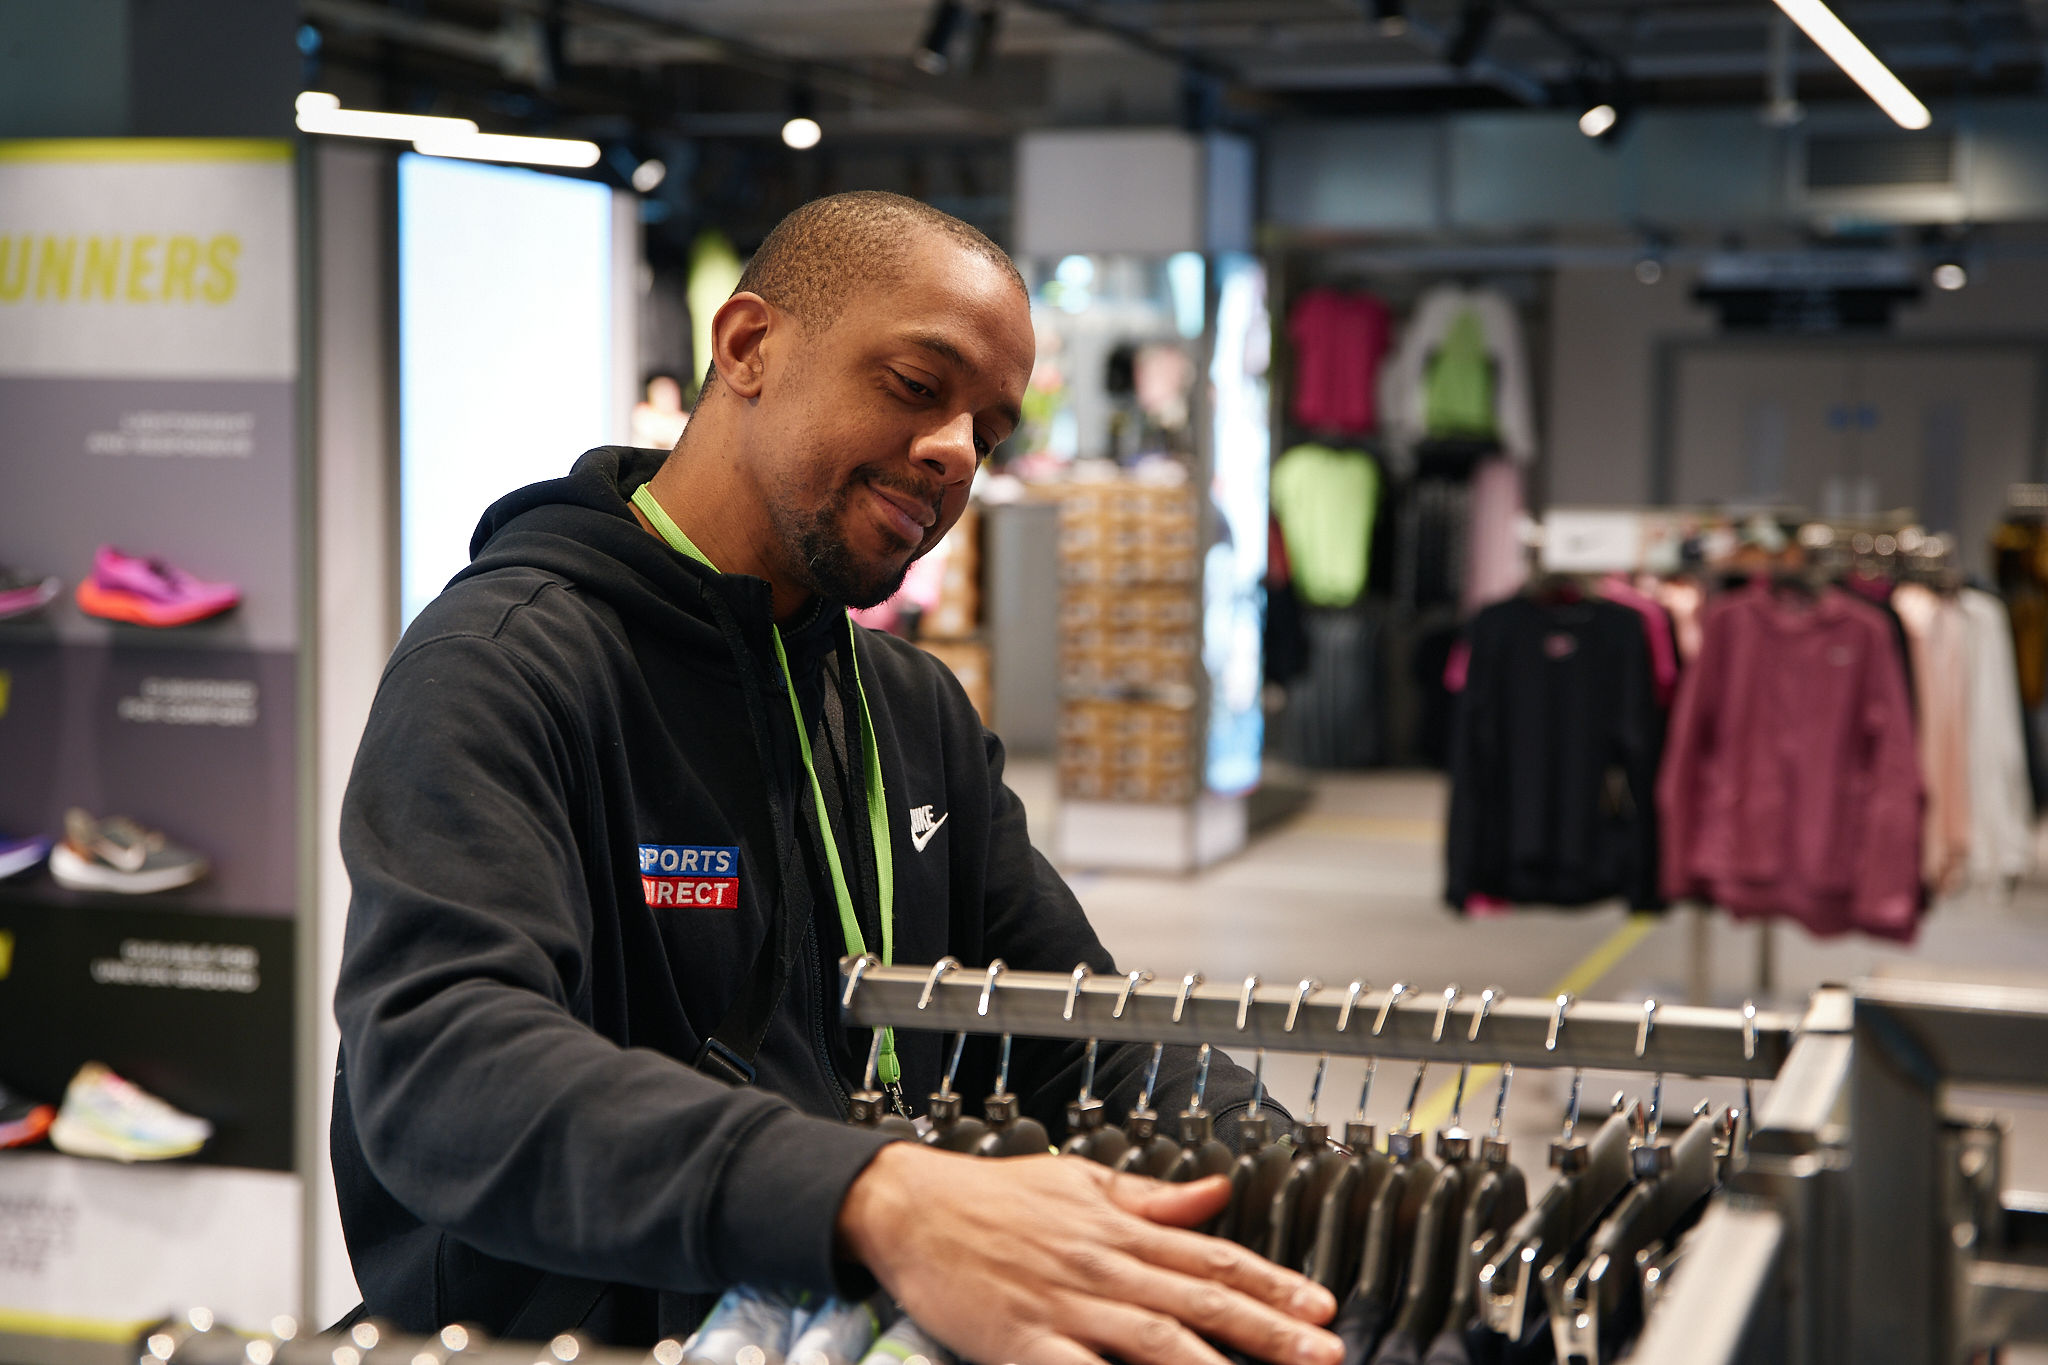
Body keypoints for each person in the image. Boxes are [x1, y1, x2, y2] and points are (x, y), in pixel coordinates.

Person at [332, 191, 1343, 1365]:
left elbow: (1081, 1033)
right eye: (920, 387)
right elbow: (443, 1066)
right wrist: (876, 1195)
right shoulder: (506, 663)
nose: (958, 453)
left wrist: (1300, 1189)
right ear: (748, 346)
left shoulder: (907, 711)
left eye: (992, 428)